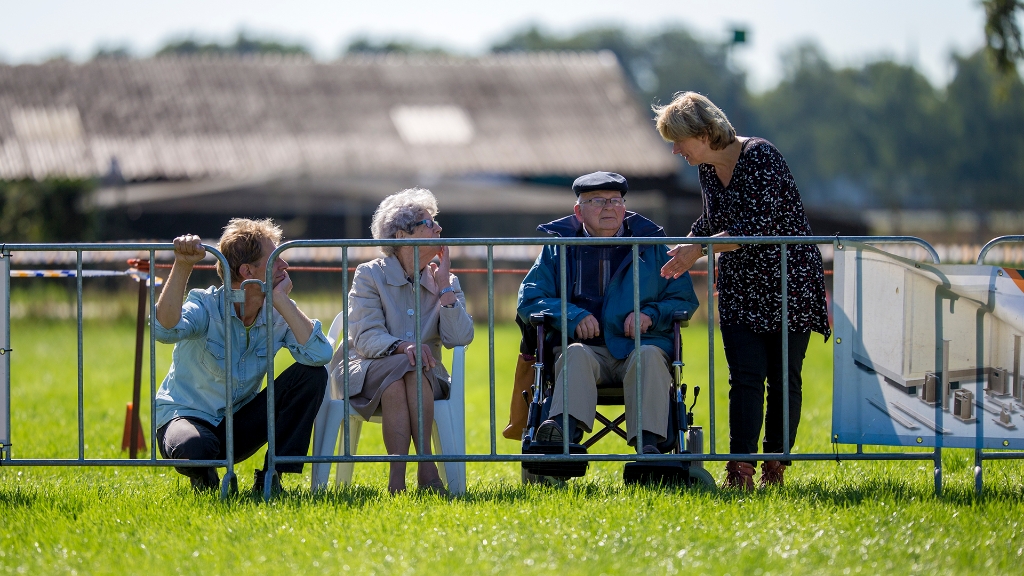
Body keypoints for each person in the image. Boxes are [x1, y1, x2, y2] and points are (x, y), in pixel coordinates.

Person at [653, 92, 831, 490]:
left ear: (703, 133)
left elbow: (755, 229)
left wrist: (698, 249)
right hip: (739, 286)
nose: (676, 151)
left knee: (783, 378)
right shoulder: (706, 169)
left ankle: (774, 465)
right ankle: (740, 469)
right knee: (745, 378)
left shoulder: (761, 156)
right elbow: (714, 221)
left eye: (679, 141)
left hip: (789, 284)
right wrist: (684, 246)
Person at [517, 171, 700, 454]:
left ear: (624, 208)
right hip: (586, 350)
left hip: (640, 346)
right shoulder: (558, 249)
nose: (609, 207)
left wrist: (650, 314)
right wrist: (571, 315)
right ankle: (560, 434)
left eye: (615, 200)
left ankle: (650, 445)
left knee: (649, 355)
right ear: (579, 211)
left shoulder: (651, 247)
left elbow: (683, 298)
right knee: (575, 353)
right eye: (597, 201)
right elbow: (530, 298)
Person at [154, 218, 333, 494]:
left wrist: (282, 300)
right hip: (187, 418)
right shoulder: (206, 304)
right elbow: (165, 329)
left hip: (238, 424)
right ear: (247, 271)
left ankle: (271, 476)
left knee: (311, 375)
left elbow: (320, 355)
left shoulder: (277, 310)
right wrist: (182, 265)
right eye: (275, 259)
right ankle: (205, 476)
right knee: (196, 448)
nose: (285, 265)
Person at [335, 188, 474, 495]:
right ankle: (427, 468)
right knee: (406, 364)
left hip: (426, 377)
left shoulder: (446, 281)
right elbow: (365, 338)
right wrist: (402, 346)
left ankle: (396, 482)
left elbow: (460, 338)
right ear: (400, 236)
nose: (439, 228)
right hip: (365, 372)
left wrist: (444, 288)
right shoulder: (369, 275)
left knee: (405, 374)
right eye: (429, 223)